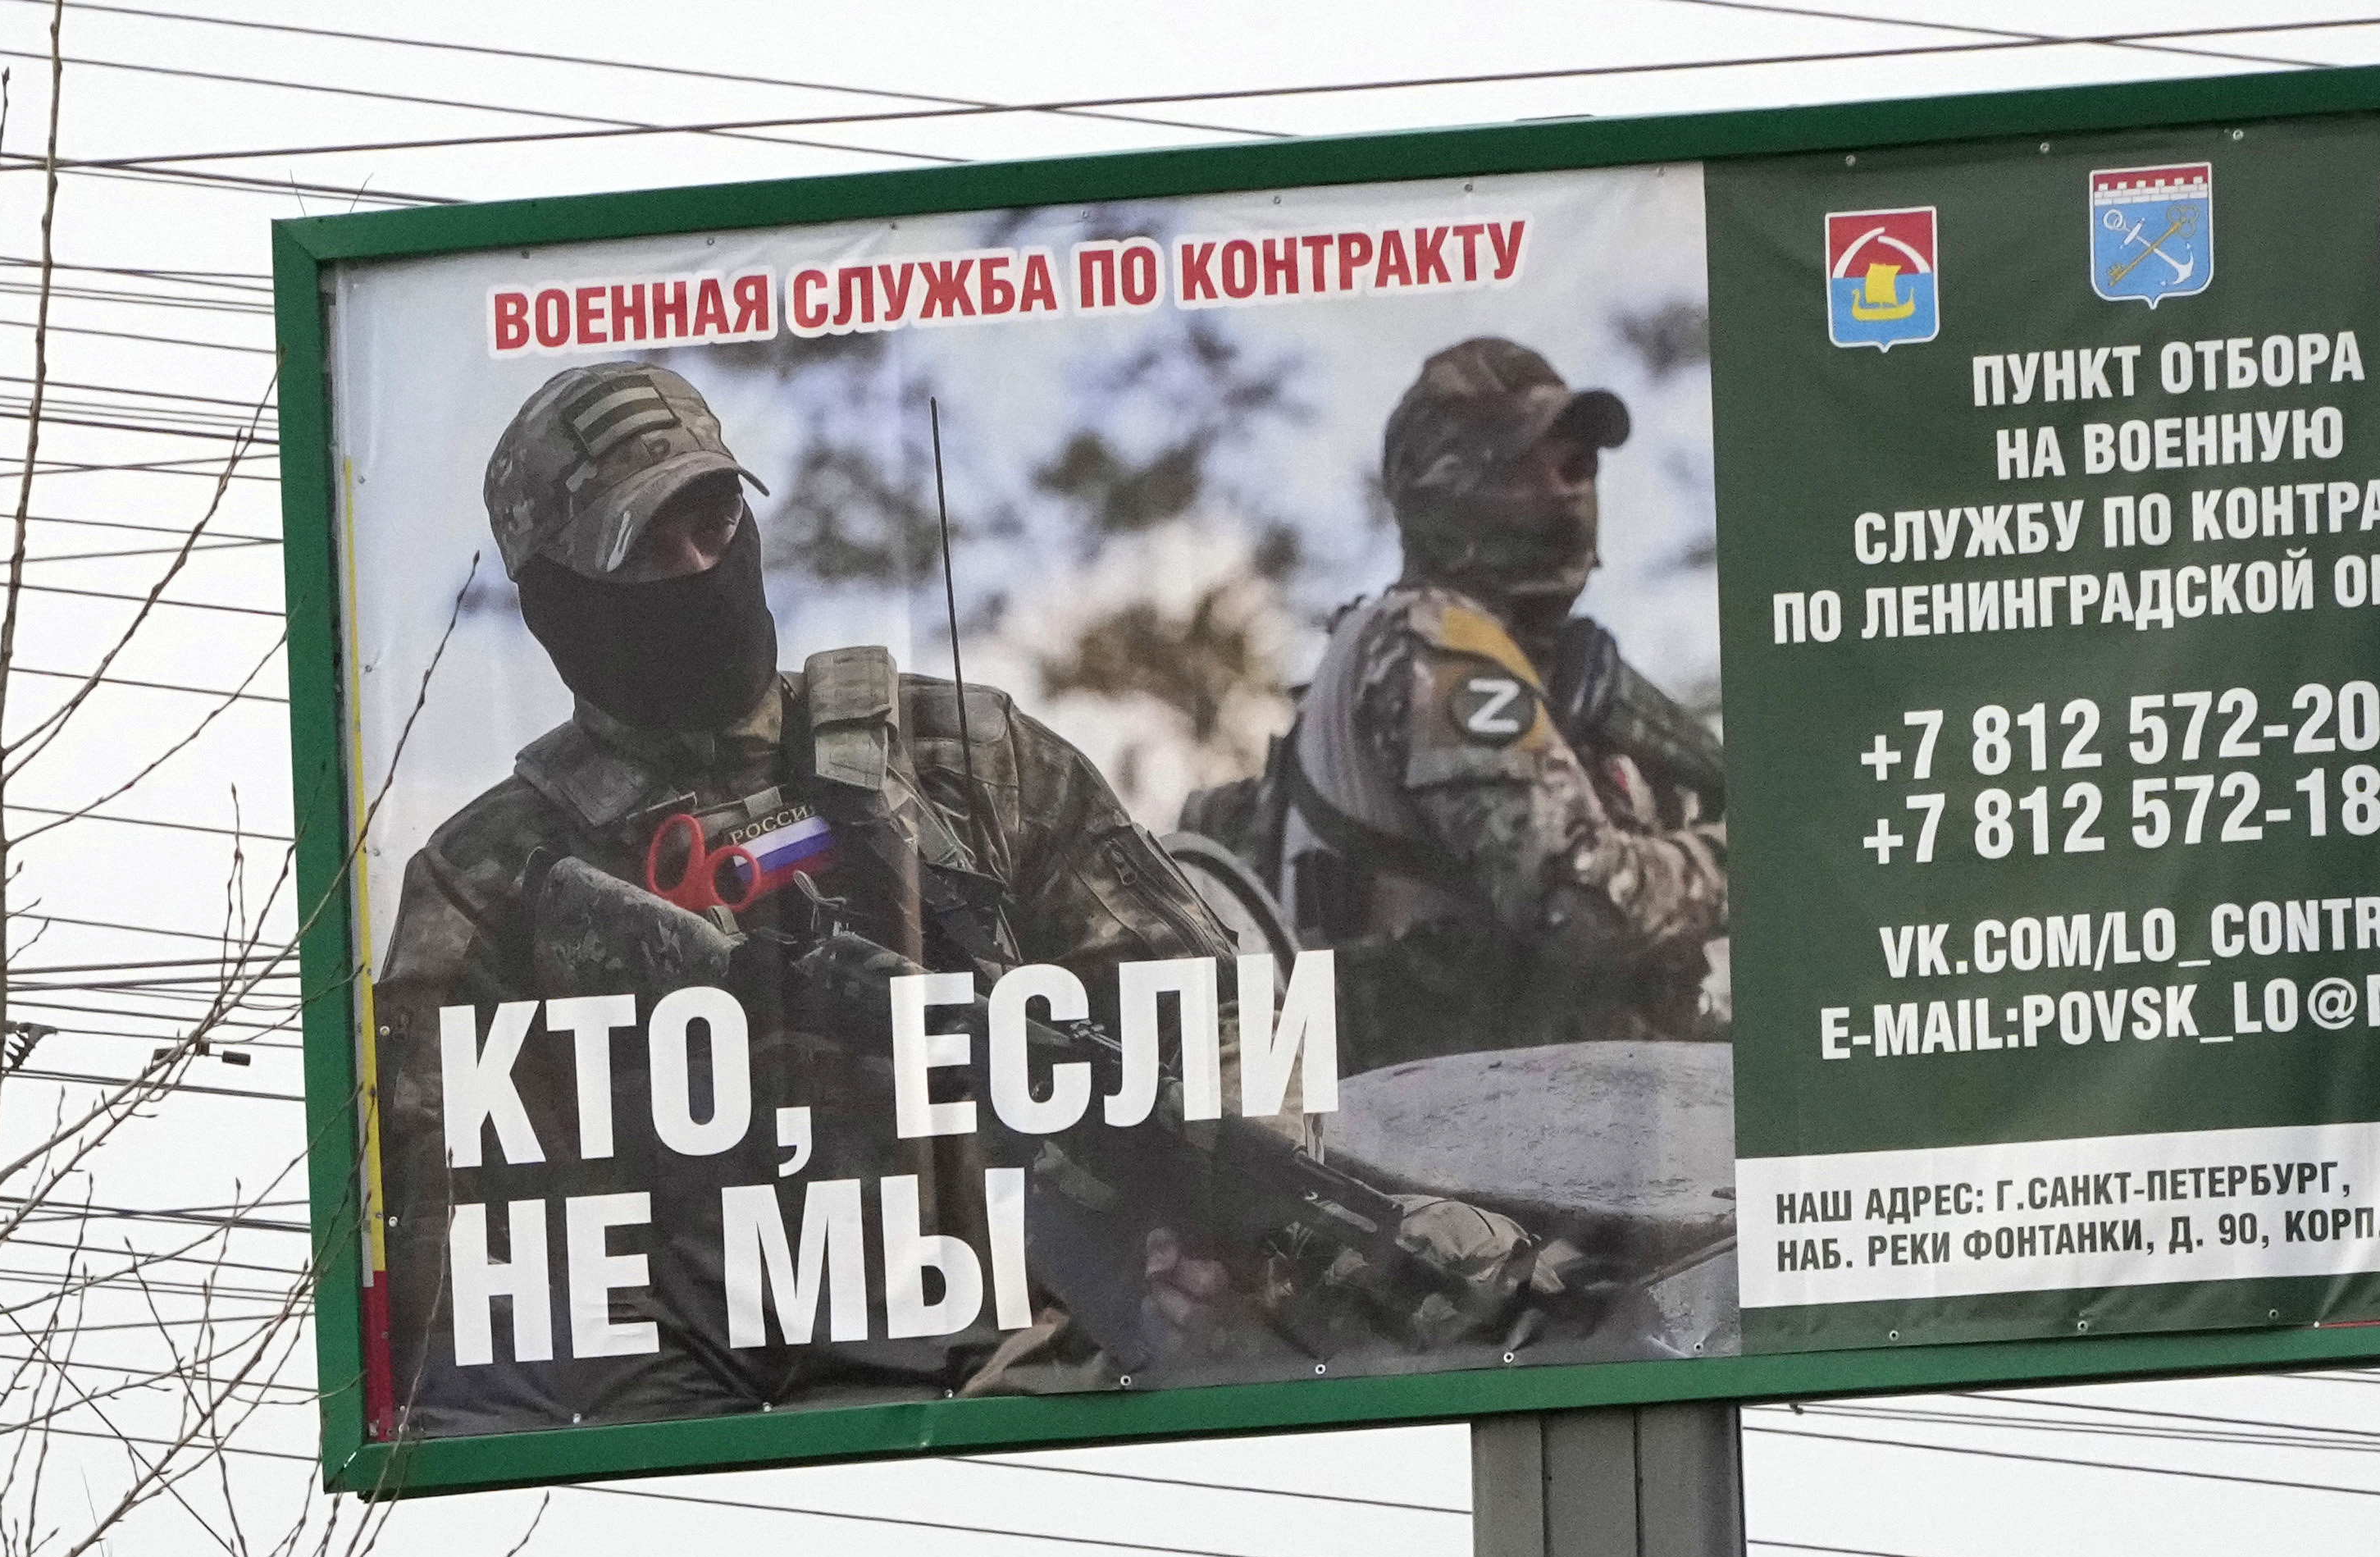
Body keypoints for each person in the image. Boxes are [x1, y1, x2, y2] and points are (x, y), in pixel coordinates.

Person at [373, 358, 1589, 1418]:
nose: (701, 563)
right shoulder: (494, 885)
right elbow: (470, 1286)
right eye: (648, 545)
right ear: (556, 604)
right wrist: (743, 1452)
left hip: (1053, 1397)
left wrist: (1212, 1251)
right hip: (720, 1461)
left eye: (713, 517)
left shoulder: (964, 757)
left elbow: (1214, 1020)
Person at [1247, 336, 1730, 1066]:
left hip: (1515, 1124)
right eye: (1526, 460)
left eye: (1580, 462)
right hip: (1444, 1139)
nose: (1568, 486)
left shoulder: (1511, 666)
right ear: (1442, 484)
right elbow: (1585, 902)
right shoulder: (1432, 643)